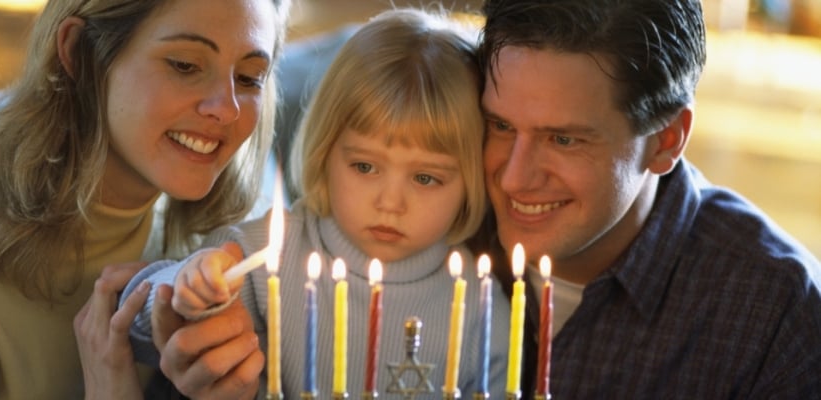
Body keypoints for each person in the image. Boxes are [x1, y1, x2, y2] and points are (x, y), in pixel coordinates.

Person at [121, 8, 512, 399]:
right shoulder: (262, 257)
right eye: (364, 166)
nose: (390, 202)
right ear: (324, 152)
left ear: (471, 181)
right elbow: (139, 328)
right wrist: (185, 286)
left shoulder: (479, 304)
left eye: (425, 178)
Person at [0, 0, 291, 398]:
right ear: (78, 53)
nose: (226, 108)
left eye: (248, 77)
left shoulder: (224, 251)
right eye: (185, 65)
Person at [468, 0, 821, 398]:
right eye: (500, 125)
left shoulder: (776, 315)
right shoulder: (424, 223)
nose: (514, 178)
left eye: (563, 140)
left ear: (666, 141)